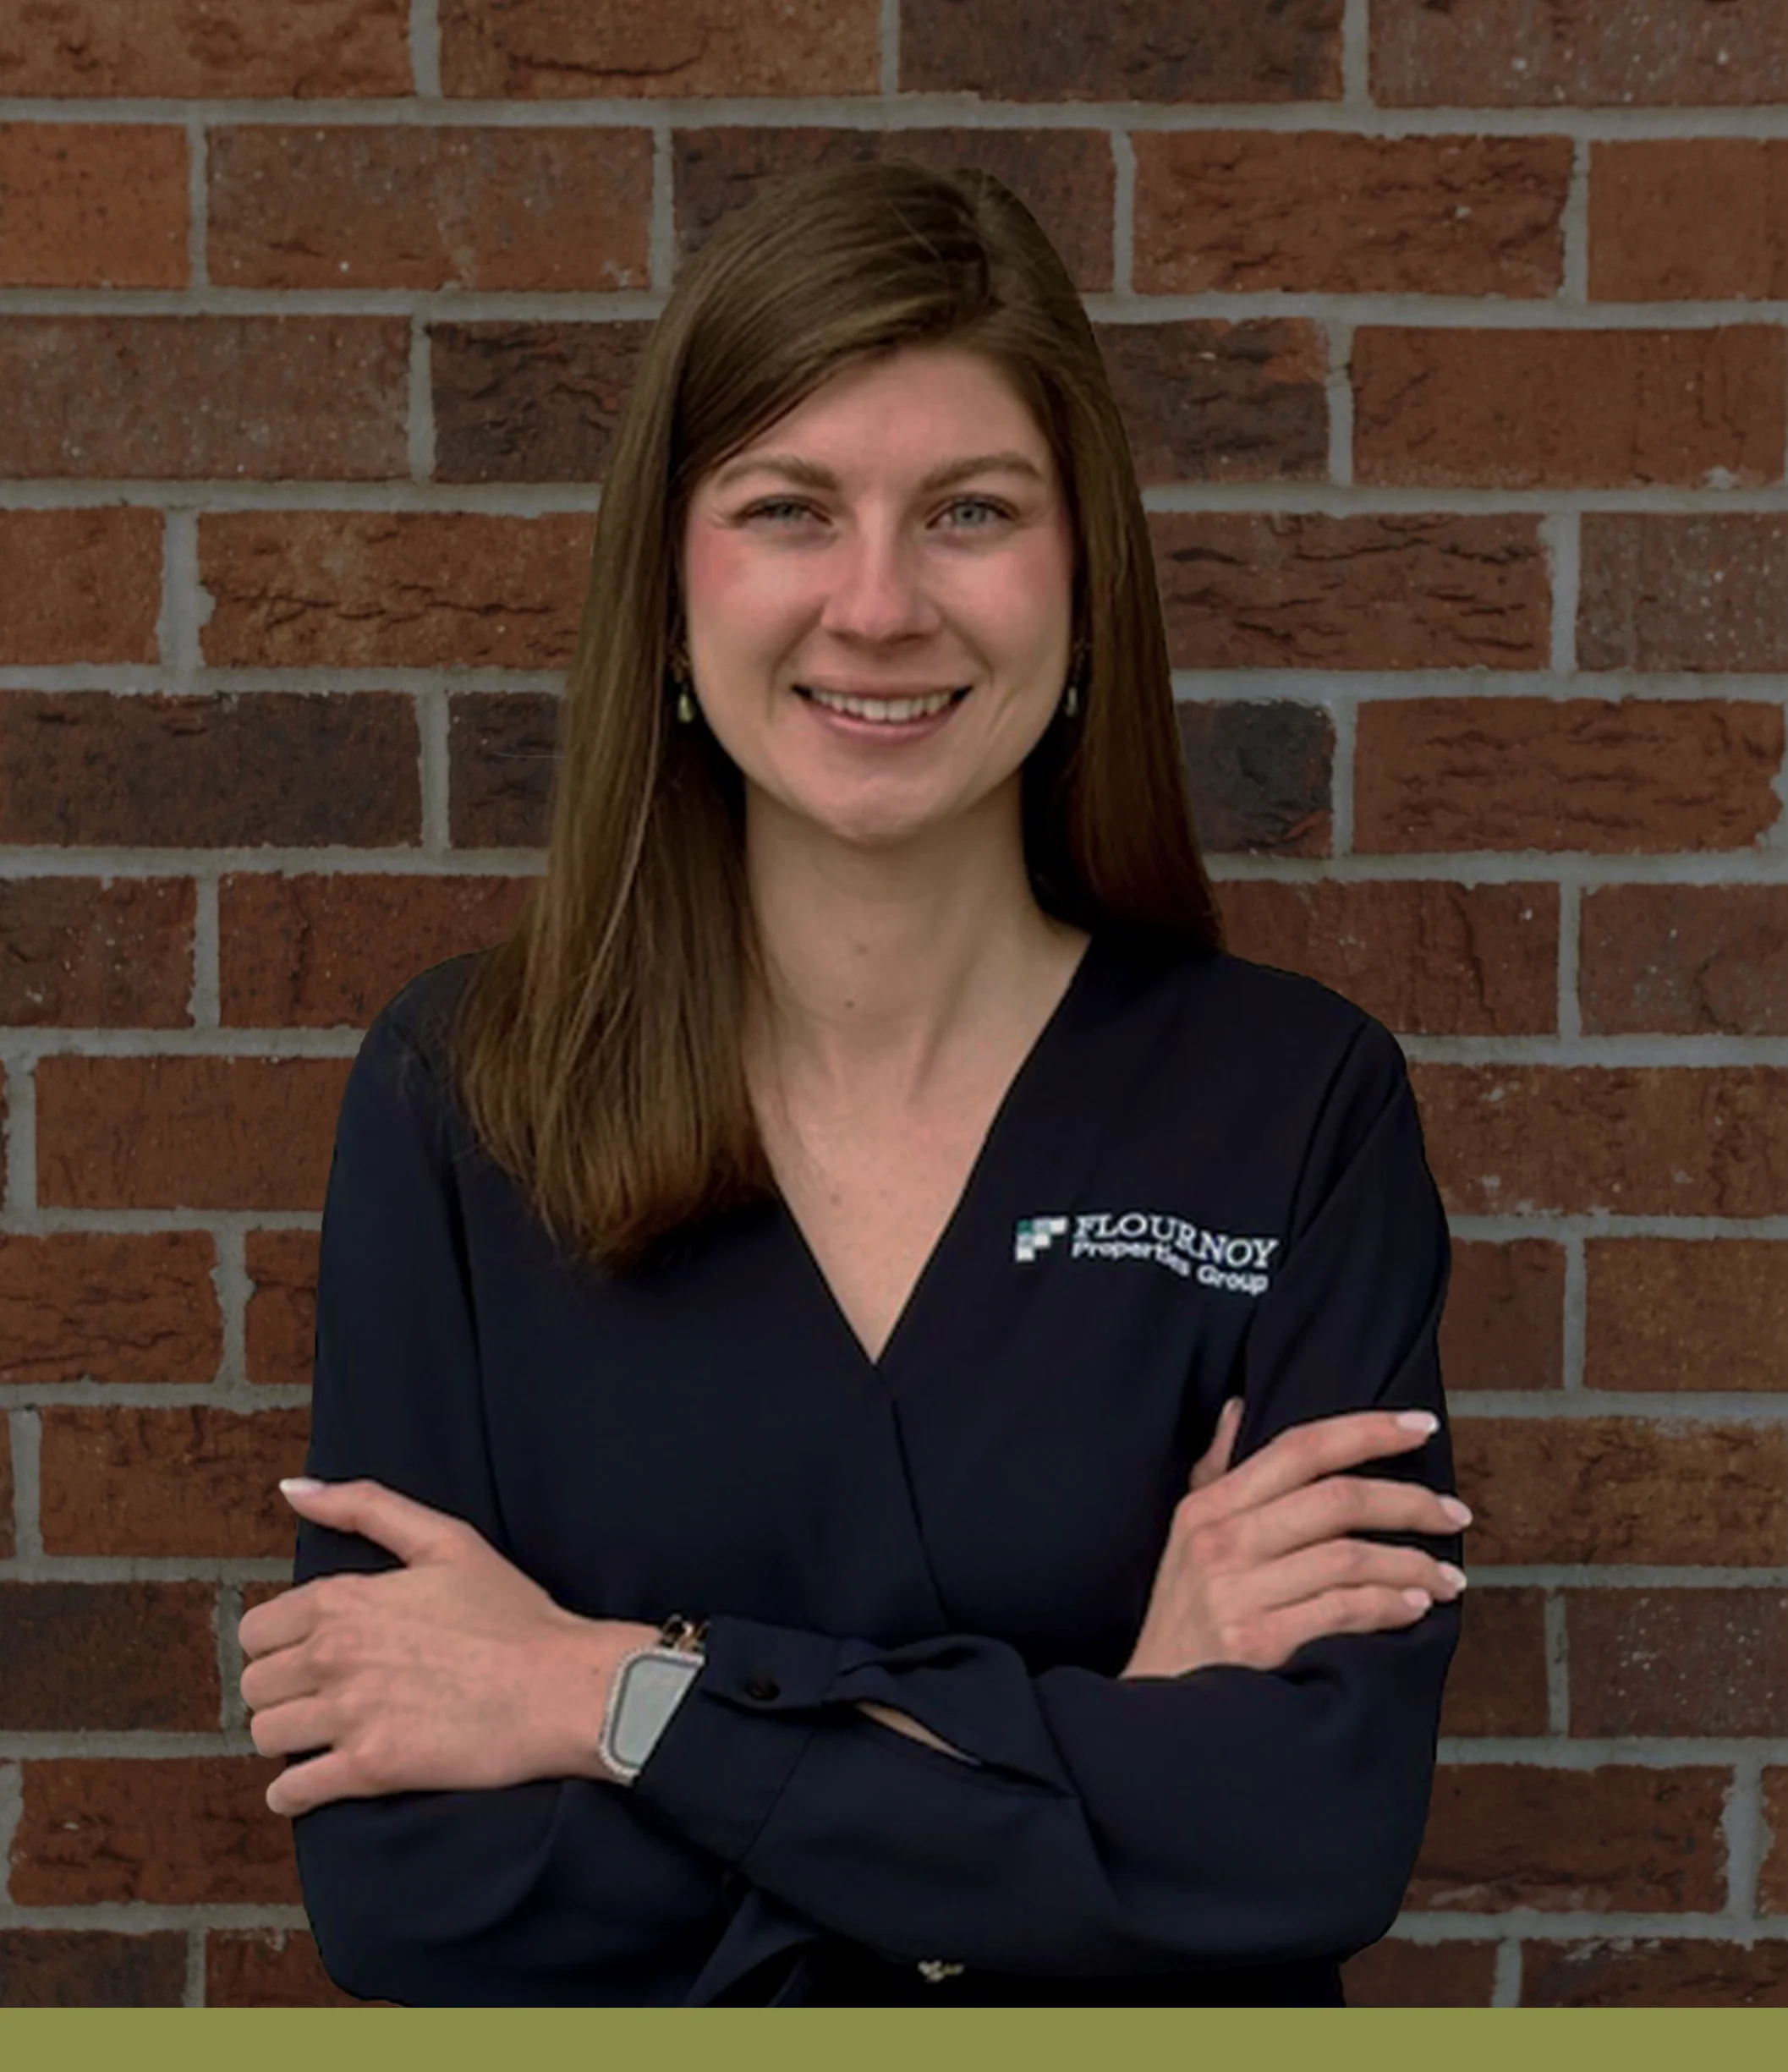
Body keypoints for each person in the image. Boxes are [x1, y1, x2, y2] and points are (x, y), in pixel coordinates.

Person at [237, 160, 1467, 2008]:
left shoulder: (1292, 1107)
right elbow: (424, 1895)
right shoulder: (466, 1096)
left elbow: (1300, 1837)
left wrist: (605, 1694)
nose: (878, 604)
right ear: (670, 583)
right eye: (789, 508)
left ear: (1082, 578)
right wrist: (1096, 1756)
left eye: (968, 509)